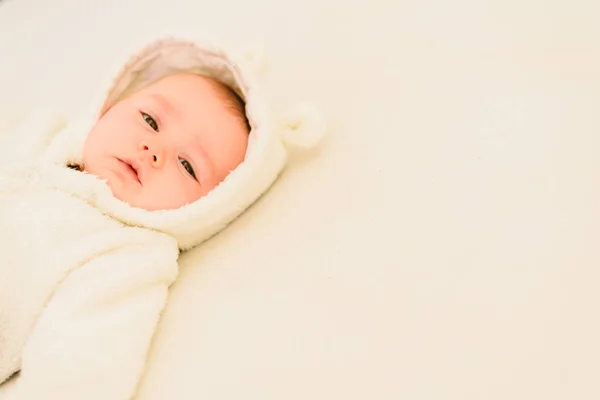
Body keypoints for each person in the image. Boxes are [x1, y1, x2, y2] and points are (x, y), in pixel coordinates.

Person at [0, 33, 324, 399]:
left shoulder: (126, 254)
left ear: (207, 207)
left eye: (187, 165)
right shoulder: (37, 134)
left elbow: (81, 363)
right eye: (150, 121)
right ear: (110, 106)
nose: (153, 149)